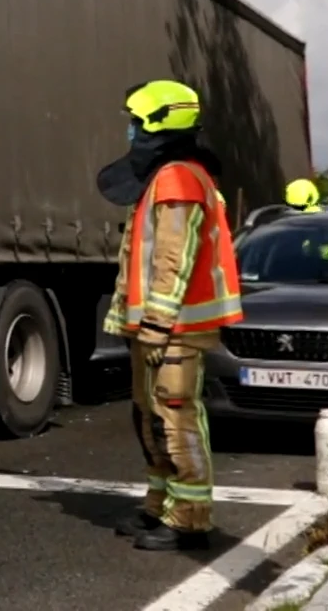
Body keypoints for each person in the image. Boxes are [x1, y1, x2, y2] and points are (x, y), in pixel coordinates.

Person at [95, 79, 244, 552]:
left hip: (177, 328)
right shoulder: (166, 175)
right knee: (152, 416)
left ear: (159, 123)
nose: (131, 131)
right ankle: (159, 505)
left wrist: (157, 323)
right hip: (159, 327)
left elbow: (172, 258)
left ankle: (190, 520)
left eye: (136, 122)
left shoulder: (179, 177)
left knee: (174, 418)